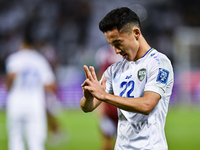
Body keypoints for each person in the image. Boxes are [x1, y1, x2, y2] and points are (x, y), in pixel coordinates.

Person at [80, 7, 174, 150]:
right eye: (112, 45)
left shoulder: (159, 62)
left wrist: (104, 96)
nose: (116, 51)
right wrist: (88, 97)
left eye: (118, 43)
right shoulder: (114, 70)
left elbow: (147, 105)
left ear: (136, 33)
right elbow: (88, 107)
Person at [5, 22, 56, 150]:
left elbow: (8, 84)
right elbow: (51, 85)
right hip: (34, 105)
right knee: (36, 143)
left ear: (22, 43)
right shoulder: (40, 60)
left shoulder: (14, 59)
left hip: (16, 104)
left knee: (15, 141)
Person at [95, 44, 121, 150]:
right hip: (110, 103)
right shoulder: (104, 54)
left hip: (125, 103)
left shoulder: (105, 54)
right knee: (107, 140)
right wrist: (100, 103)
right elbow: (101, 78)